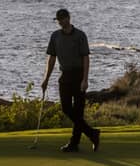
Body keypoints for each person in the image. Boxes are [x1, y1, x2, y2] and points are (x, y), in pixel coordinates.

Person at [42, 8, 100, 152]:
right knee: (66, 108)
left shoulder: (80, 35)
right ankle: (92, 133)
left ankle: (74, 144)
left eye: (63, 18)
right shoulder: (55, 36)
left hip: (79, 75)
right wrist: (46, 79)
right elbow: (52, 58)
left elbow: (86, 57)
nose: (61, 22)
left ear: (69, 18)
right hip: (65, 75)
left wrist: (85, 79)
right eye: (59, 20)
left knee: (78, 112)